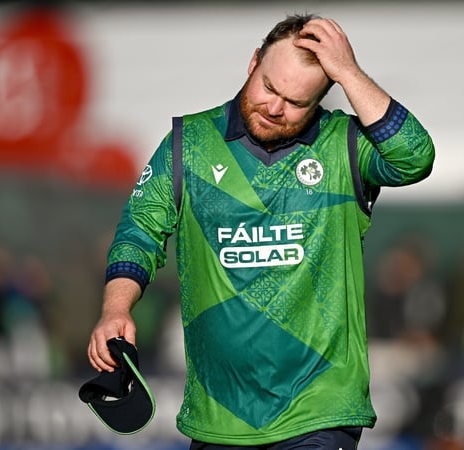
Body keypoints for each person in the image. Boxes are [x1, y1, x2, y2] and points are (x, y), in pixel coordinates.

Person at [87, 13, 435, 449]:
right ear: (253, 62)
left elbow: (415, 157)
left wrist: (348, 71)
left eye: (295, 102)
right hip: (219, 414)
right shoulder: (188, 143)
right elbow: (140, 230)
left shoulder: (344, 144)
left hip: (318, 409)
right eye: (270, 88)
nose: (275, 108)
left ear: (322, 98)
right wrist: (116, 309)